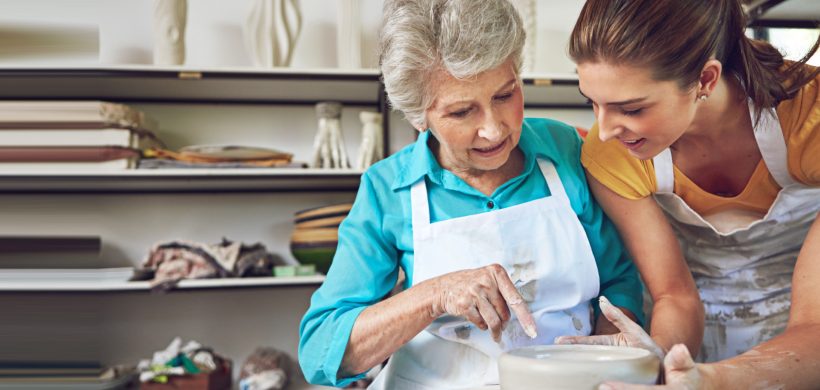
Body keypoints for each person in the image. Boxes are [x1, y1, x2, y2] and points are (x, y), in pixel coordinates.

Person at [298, 0, 645, 388]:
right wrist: (434, 296)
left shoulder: (565, 149)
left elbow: (620, 281)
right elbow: (320, 349)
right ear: (418, 115)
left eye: (505, 95)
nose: (494, 130)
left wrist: (592, 362)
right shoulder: (387, 189)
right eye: (462, 112)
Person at [555, 0, 820, 388]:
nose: (606, 129)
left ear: (706, 80)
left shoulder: (810, 118)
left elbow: (814, 322)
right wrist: (662, 361)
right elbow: (675, 296)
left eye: (630, 108)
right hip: (693, 333)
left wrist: (713, 381)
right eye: (591, 102)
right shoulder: (610, 152)